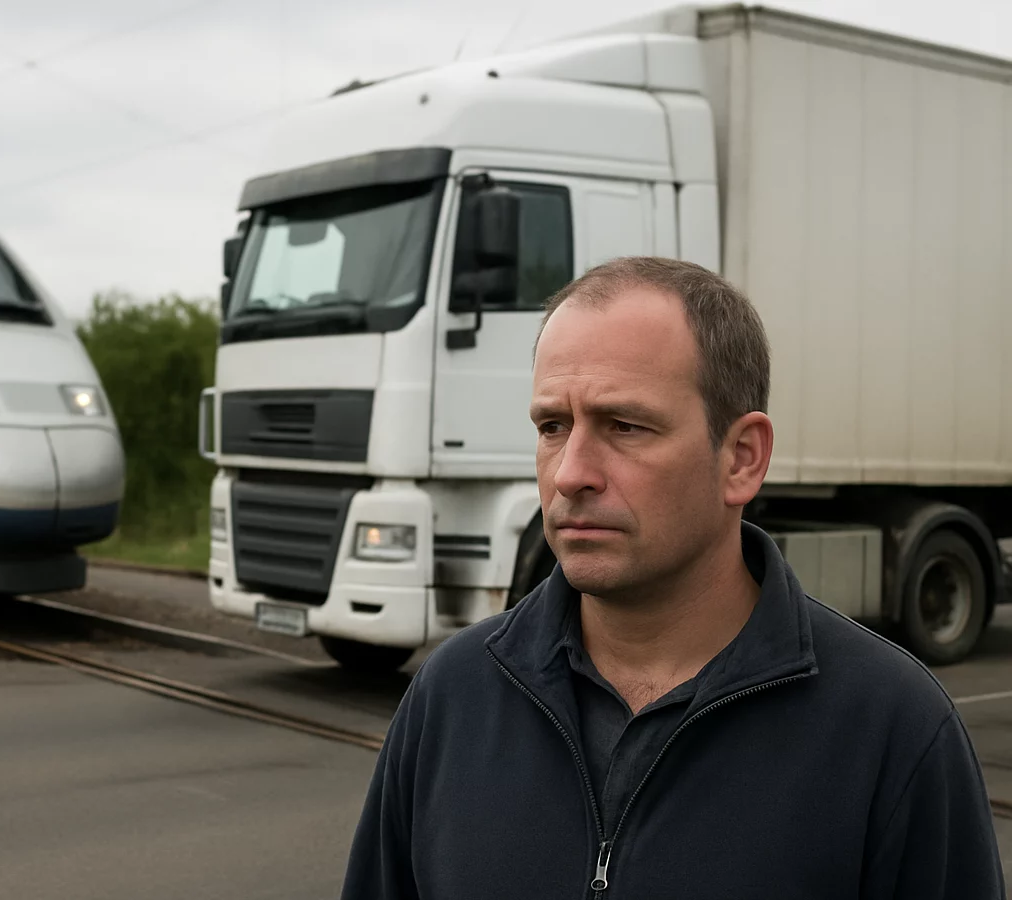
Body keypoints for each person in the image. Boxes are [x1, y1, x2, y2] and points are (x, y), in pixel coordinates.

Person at [339, 256, 1005, 899]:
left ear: (741, 458)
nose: (570, 473)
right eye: (552, 426)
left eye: (625, 426)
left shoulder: (892, 729)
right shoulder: (451, 696)